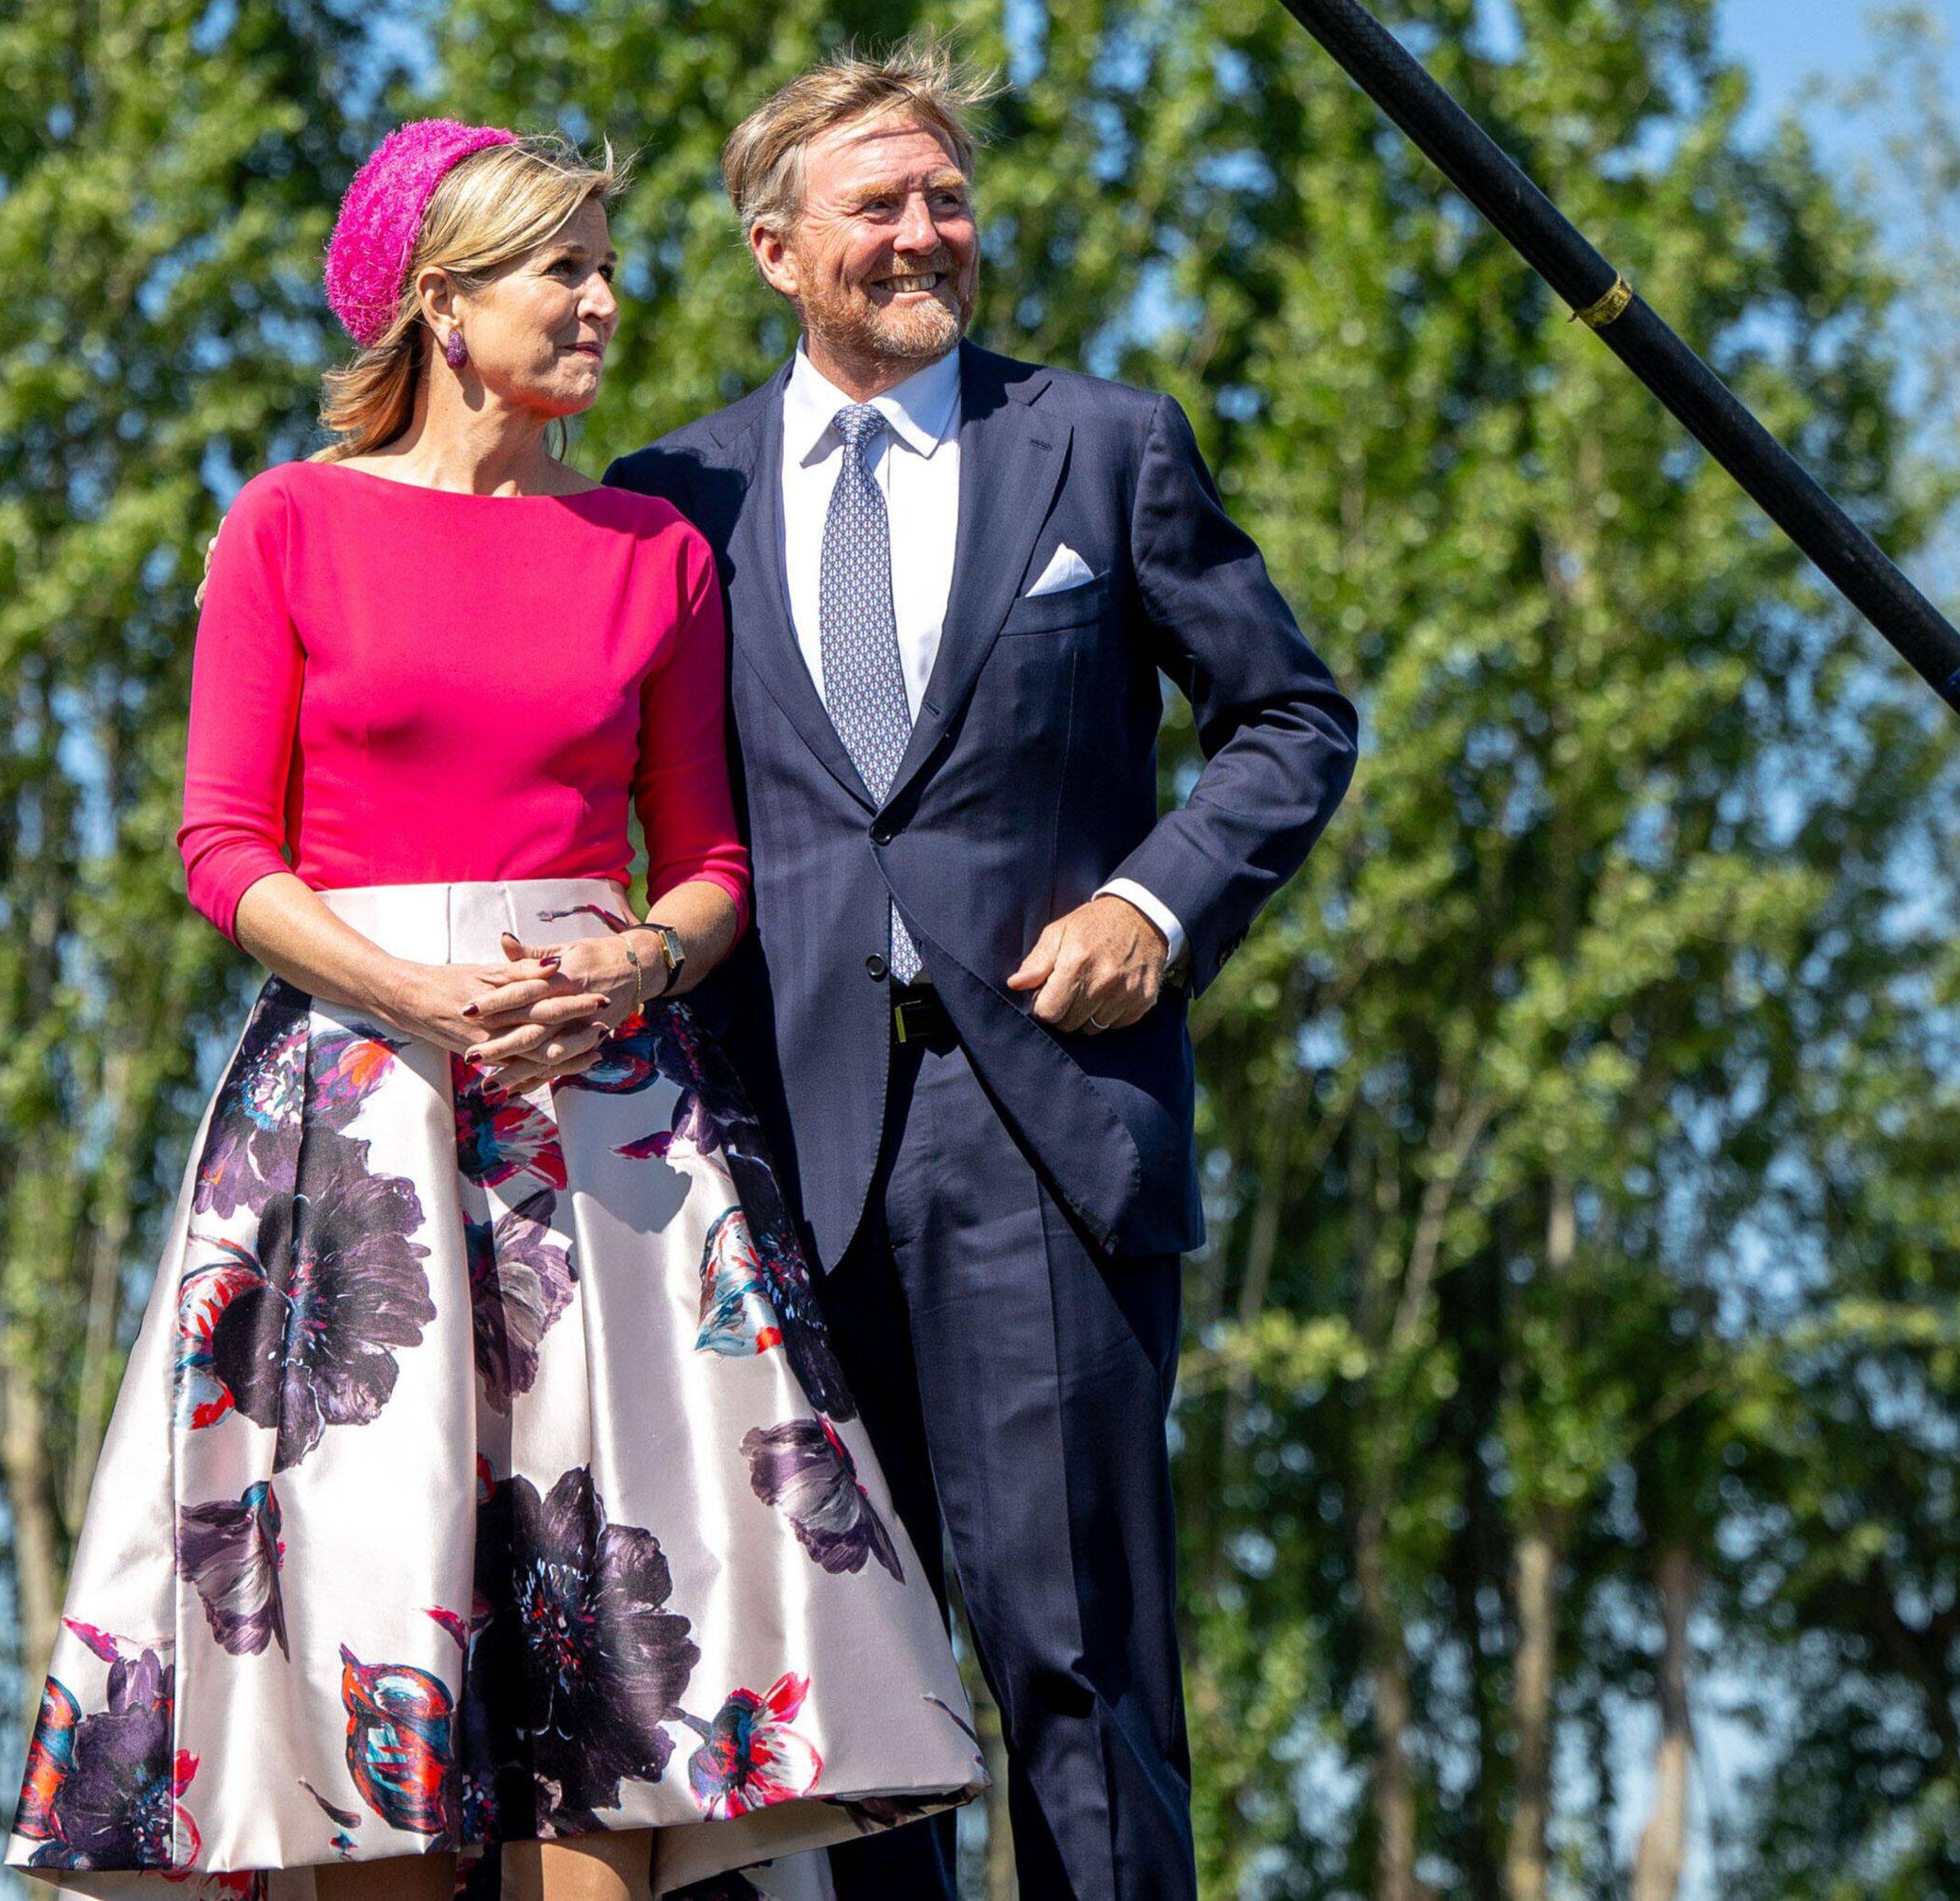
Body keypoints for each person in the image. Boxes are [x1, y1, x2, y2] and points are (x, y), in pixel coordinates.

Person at [4, 121, 983, 1901]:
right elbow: (219, 842)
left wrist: (631, 959)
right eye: (565, 267)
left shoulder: (649, 552)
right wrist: (405, 989)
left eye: (606, 260)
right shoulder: (289, 521)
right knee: (374, 1692)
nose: (605, 299)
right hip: (359, 1132)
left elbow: (706, 863)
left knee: (604, 1716)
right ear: (441, 304)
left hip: (608, 1152)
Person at [605, 43, 1361, 1901]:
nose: (925, 232)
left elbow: (1286, 715)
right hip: (766, 1153)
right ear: (777, 246)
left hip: (1036, 1128)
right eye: (880, 203)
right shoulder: (664, 497)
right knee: (848, 1697)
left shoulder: (1099, 444)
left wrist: (1155, 903)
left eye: (944, 197)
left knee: (1074, 1663)